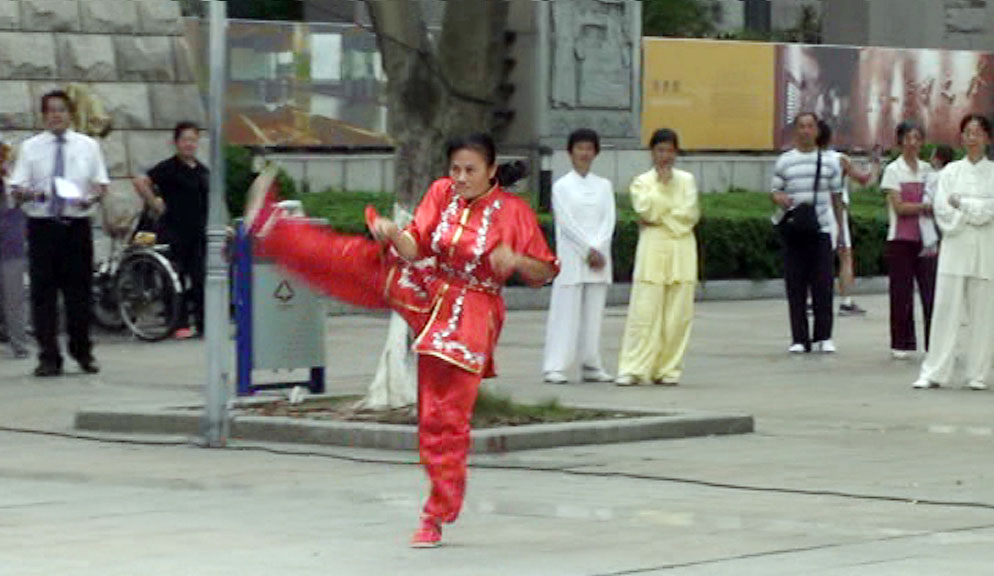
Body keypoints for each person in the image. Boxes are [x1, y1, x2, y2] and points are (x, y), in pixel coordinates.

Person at [243, 133, 558, 548]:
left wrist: (516, 260)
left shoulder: (513, 212)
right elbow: (413, 247)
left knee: (442, 415)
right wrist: (391, 232)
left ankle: (436, 512)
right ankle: (275, 232)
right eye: (455, 169)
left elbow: (545, 271)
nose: (461, 178)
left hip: (471, 312)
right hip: (431, 284)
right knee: (361, 262)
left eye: (470, 170)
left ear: (491, 171)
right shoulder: (441, 192)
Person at [8, 90, 109, 376]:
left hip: (76, 225)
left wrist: (90, 198)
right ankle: (49, 356)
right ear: (44, 116)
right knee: (44, 294)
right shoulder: (30, 147)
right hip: (43, 225)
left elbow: (101, 184)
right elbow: (17, 186)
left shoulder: (88, 146)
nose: (56, 115)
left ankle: (82, 351)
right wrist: (30, 193)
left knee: (79, 293)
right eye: (50, 110)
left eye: (61, 110)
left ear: (70, 114)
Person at [913, 114, 994, 391]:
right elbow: (942, 210)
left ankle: (977, 373)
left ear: (987, 138)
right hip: (955, 248)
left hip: (985, 252)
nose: (972, 138)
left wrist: (963, 204)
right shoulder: (950, 172)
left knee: (983, 314)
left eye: (978, 132)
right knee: (945, 311)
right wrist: (972, 210)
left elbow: (989, 213)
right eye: (968, 132)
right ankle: (935, 371)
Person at [614, 128, 700, 387]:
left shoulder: (687, 180)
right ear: (652, 153)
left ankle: (668, 369)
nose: (665, 156)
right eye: (660, 150)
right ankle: (634, 368)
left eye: (670, 150)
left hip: (681, 250)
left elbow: (690, 214)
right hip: (653, 249)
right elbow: (646, 210)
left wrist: (662, 218)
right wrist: (661, 192)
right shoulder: (641, 182)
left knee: (678, 316)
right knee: (644, 312)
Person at [542, 129, 616, 384]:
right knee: (565, 312)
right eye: (579, 148)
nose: (584, 153)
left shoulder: (604, 185)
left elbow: (609, 220)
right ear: (570, 152)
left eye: (589, 148)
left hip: (599, 258)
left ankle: (591, 364)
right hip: (573, 257)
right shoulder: (561, 186)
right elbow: (566, 223)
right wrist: (587, 249)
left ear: (596, 152)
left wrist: (599, 248)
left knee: (594, 314)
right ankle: (555, 366)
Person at [771, 112, 845, 354]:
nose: (805, 131)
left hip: (821, 230)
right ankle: (799, 338)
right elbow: (775, 191)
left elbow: (837, 198)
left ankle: (824, 336)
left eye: (810, 126)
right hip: (794, 231)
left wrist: (840, 230)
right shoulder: (785, 161)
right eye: (801, 126)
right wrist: (780, 198)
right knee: (796, 286)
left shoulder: (829, 162)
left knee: (823, 285)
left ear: (817, 130)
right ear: (796, 131)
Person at [132, 122, 209, 339]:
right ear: (176, 143)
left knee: (200, 278)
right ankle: (178, 322)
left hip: (198, 231)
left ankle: (203, 323)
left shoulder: (202, 171)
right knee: (175, 279)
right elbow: (141, 182)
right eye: (185, 140)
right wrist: (155, 203)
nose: (189, 144)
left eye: (193, 140)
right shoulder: (168, 168)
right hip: (174, 229)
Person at [879, 120, 938, 360]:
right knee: (901, 293)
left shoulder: (928, 170)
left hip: (927, 239)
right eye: (908, 138)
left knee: (931, 292)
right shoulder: (893, 170)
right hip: (901, 240)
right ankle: (901, 342)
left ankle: (935, 343)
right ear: (900, 142)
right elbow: (899, 207)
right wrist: (924, 207)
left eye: (917, 138)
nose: (913, 143)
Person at [815, 120, 878, 316]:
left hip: (812, 211)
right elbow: (865, 179)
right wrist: (875, 162)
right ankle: (846, 301)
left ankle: (811, 299)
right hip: (835, 211)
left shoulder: (806, 159)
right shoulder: (840, 159)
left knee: (815, 258)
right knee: (844, 256)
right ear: (830, 137)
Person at [0, 134, 29, 359]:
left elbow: (28, 202)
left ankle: (19, 344)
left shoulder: (13, 179)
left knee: (14, 296)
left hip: (11, 244)